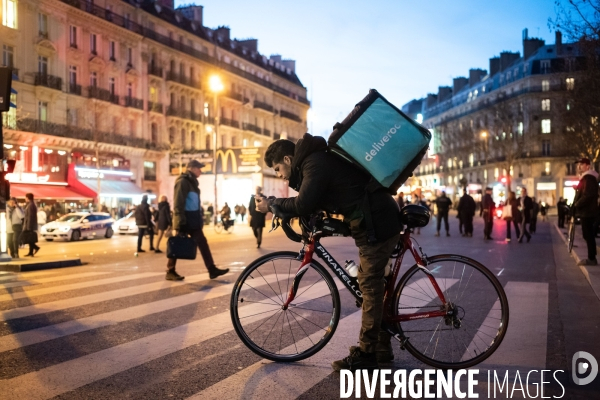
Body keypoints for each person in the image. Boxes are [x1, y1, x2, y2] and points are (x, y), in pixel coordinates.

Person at [255, 134, 402, 371]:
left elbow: (303, 203)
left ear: (287, 158)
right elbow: (314, 201)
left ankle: (367, 355)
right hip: (374, 219)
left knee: (369, 285)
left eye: (278, 168)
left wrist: (273, 203)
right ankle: (381, 348)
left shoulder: (315, 163)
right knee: (373, 284)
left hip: (377, 222)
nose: (279, 174)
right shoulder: (313, 163)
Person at [167, 160, 228, 280]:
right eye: (199, 168)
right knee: (177, 244)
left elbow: (194, 203)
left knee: (202, 243)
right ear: (192, 168)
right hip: (185, 220)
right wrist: (180, 222)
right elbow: (178, 203)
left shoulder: (192, 182)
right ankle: (170, 271)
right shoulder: (183, 181)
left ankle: (212, 269)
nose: (200, 171)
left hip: (193, 220)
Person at [573, 158, 599, 266]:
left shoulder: (589, 178)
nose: (579, 166)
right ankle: (592, 256)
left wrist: (577, 203)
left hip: (588, 211)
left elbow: (588, 194)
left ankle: (591, 258)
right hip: (587, 211)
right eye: (579, 164)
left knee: (588, 234)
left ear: (588, 166)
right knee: (588, 234)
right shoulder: (586, 178)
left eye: (582, 164)